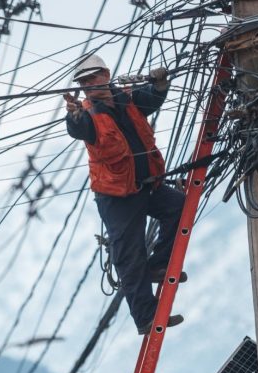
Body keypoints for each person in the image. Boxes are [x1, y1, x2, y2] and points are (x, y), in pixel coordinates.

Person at [64, 54, 187, 336]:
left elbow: (152, 99)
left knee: (179, 206)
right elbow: (77, 127)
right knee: (130, 255)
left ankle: (158, 266)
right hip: (116, 196)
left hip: (144, 184)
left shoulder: (128, 98)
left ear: (106, 74)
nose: (88, 85)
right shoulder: (86, 114)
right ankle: (146, 317)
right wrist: (73, 114)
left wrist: (160, 85)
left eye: (92, 78)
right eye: (83, 82)